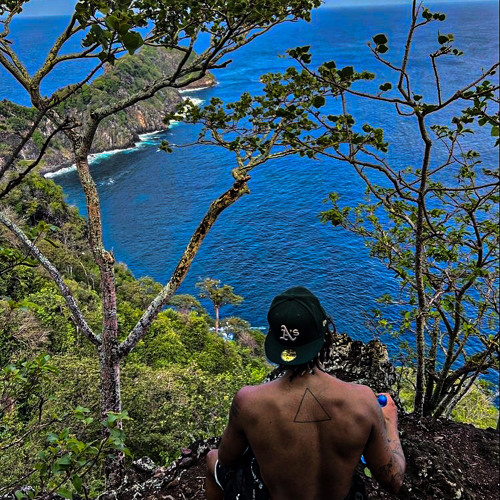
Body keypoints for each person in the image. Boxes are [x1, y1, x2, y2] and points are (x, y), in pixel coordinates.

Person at [205, 286, 405, 500]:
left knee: (211, 458)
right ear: (324, 337)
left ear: (274, 343)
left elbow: (226, 459)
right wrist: (389, 422)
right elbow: (393, 480)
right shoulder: (363, 400)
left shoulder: (248, 401)